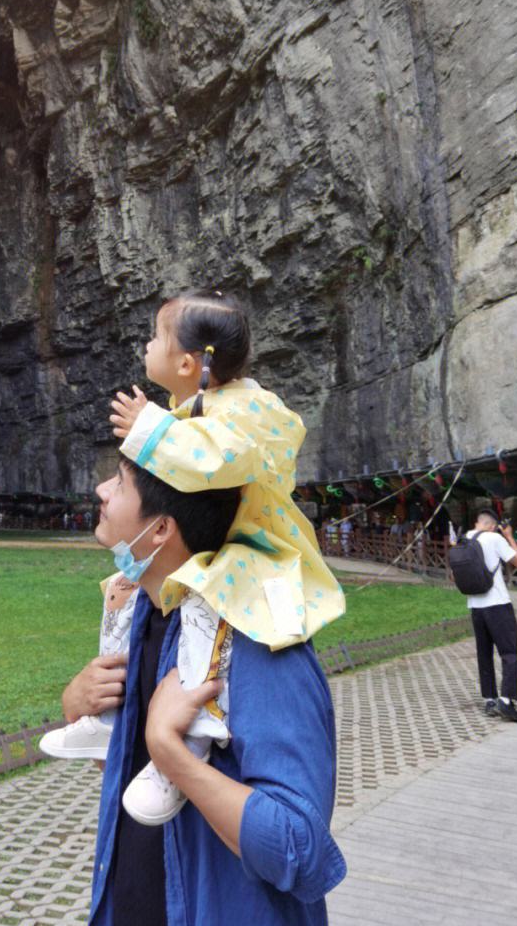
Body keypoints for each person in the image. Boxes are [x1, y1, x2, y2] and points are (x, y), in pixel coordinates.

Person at [41, 289, 344, 826]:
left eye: (155, 336)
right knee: (122, 591)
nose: (102, 491)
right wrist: (79, 700)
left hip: (252, 548)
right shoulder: (195, 408)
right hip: (207, 551)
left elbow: (213, 460)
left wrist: (150, 427)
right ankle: (105, 723)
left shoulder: (248, 410)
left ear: (186, 362)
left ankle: (194, 734)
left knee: (208, 611)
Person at [64, 454, 345, 926]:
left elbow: (299, 848)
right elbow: (135, 780)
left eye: (121, 484)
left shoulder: (260, 641)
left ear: (160, 531)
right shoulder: (145, 617)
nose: (101, 491)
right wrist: (80, 709)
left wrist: (171, 754)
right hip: (133, 923)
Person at [463, 508, 517, 721]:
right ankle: (506, 700)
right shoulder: (494, 538)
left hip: (474, 604)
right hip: (497, 603)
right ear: (492, 525)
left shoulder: (464, 539)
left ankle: (489, 699)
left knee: (484, 652)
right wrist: (509, 536)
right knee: (510, 652)